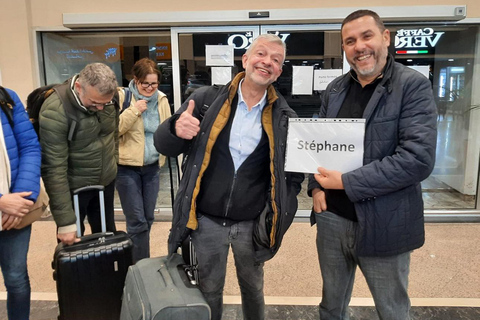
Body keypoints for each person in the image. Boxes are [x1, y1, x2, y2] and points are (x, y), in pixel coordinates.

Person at [154, 34, 304, 320]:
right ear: (245, 60)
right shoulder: (206, 101)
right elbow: (165, 146)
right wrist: (174, 128)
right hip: (207, 222)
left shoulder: (285, 117)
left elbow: (293, 175)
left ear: (279, 72)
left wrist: (284, 206)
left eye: (276, 60)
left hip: (252, 225)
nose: (267, 62)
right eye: (261, 54)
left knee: (253, 288)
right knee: (209, 289)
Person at [308, 10, 437, 320]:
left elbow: (417, 159)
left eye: (366, 36)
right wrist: (315, 187)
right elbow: (318, 145)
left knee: (392, 309)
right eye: (350, 41)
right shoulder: (335, 90)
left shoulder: (413, 86)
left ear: (385, 37)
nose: (359, 47)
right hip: (333, 220)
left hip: (386, 220)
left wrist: (345, 182)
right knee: (331, 306)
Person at [39, 63, 119, 245]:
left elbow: (112, 136)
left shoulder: (110, 100)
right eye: (95, 103)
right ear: (78, 87)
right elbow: (54, 169)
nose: (101, 108)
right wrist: (65, 222)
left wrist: (113, 163)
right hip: (74, 186)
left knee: (108, 241)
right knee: (73, 243)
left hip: (105, 181)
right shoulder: (55, 110)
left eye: (104, 103)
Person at [116, 58, 172, 262]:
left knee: (148, 218)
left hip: (152, 167)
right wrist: (134, 110)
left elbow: (167, 129)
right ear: (135, 79)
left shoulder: (162, 99)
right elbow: (113, 130)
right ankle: (139, 267)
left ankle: (139, 261)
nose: (149, 88)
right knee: (137, 221)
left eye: (154, 83)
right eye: (145, 83)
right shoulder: (123, 97)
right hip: (126, 168)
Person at [0, 86, 41, 320]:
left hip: (16, 207)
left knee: (16, 279)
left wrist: (22, 199)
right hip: (6, 205)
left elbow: (30, 148)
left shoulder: (7, 98)